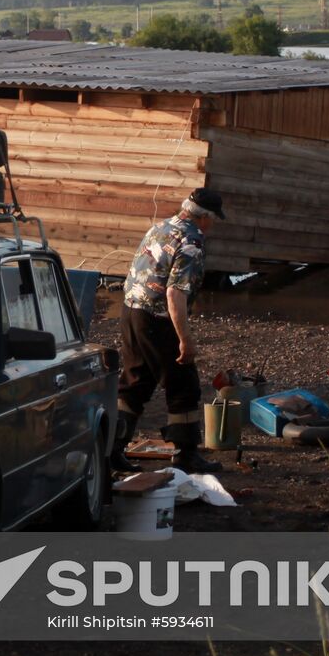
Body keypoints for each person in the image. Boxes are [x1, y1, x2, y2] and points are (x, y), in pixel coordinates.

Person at [111, 188, 226, 473]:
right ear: (205, 217)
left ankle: (111, 449)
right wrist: (185, 340)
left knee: (135, 381)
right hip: (157, 318)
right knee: (183, 384)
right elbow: (175, 293)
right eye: (214, 220)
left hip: (131, 310)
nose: (213, 225)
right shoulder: (192, 241)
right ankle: (186, 454)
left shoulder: (160, 227)